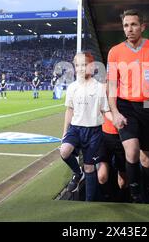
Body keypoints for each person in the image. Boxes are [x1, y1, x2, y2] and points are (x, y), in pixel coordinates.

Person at [107, 9, 149, 203]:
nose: (129, 29)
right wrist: (115, 112)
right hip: (125, 105)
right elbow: (111, 85)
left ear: (142, 27)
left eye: (134, 24)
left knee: (147, 160)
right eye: (126, 25)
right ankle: (135, 195)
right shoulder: (115, 52)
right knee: (132, 150)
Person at [60, 52, 110, 201]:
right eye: (78, 65)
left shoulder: (100, 87)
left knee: (90, 167)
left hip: (94, 131)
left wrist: (116, 121)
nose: (81, 68)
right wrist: (64, 131)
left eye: (84, 64)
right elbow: (69, 110)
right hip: (75, 128)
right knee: (64, 151)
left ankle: (89, 201)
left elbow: (105, 110)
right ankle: (77, 172)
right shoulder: (72, 87)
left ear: (92, 66)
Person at [97, 116, 128, 202]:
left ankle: (122, 200)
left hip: (123, 136)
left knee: (123, 180)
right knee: (102, 176)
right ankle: (108, 200)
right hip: (104, 134)